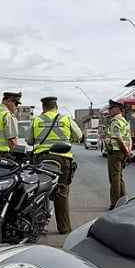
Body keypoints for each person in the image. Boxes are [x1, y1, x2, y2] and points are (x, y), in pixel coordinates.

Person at [26, 96, 82, 234]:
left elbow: (28, 140)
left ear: (43, 108)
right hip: (62, 161)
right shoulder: (66, 119)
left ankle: (35, 227)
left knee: (39, 191)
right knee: (62, 192)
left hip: (41, 161)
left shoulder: (37, 120)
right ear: (56, 106)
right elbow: (79, 136)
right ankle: (64, 228)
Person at [106, 99, 133, 210]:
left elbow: (119, 139)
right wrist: (128, 151)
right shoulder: (125, 122)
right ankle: (124, 200)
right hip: (122, 153)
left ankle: (115, 204)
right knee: (119, 178)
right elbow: (129, 139)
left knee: (114, 179)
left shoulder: (115, 122)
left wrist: (126, 151)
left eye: (111, 108)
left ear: (117, 109)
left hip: (115, 154)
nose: (109, 110)